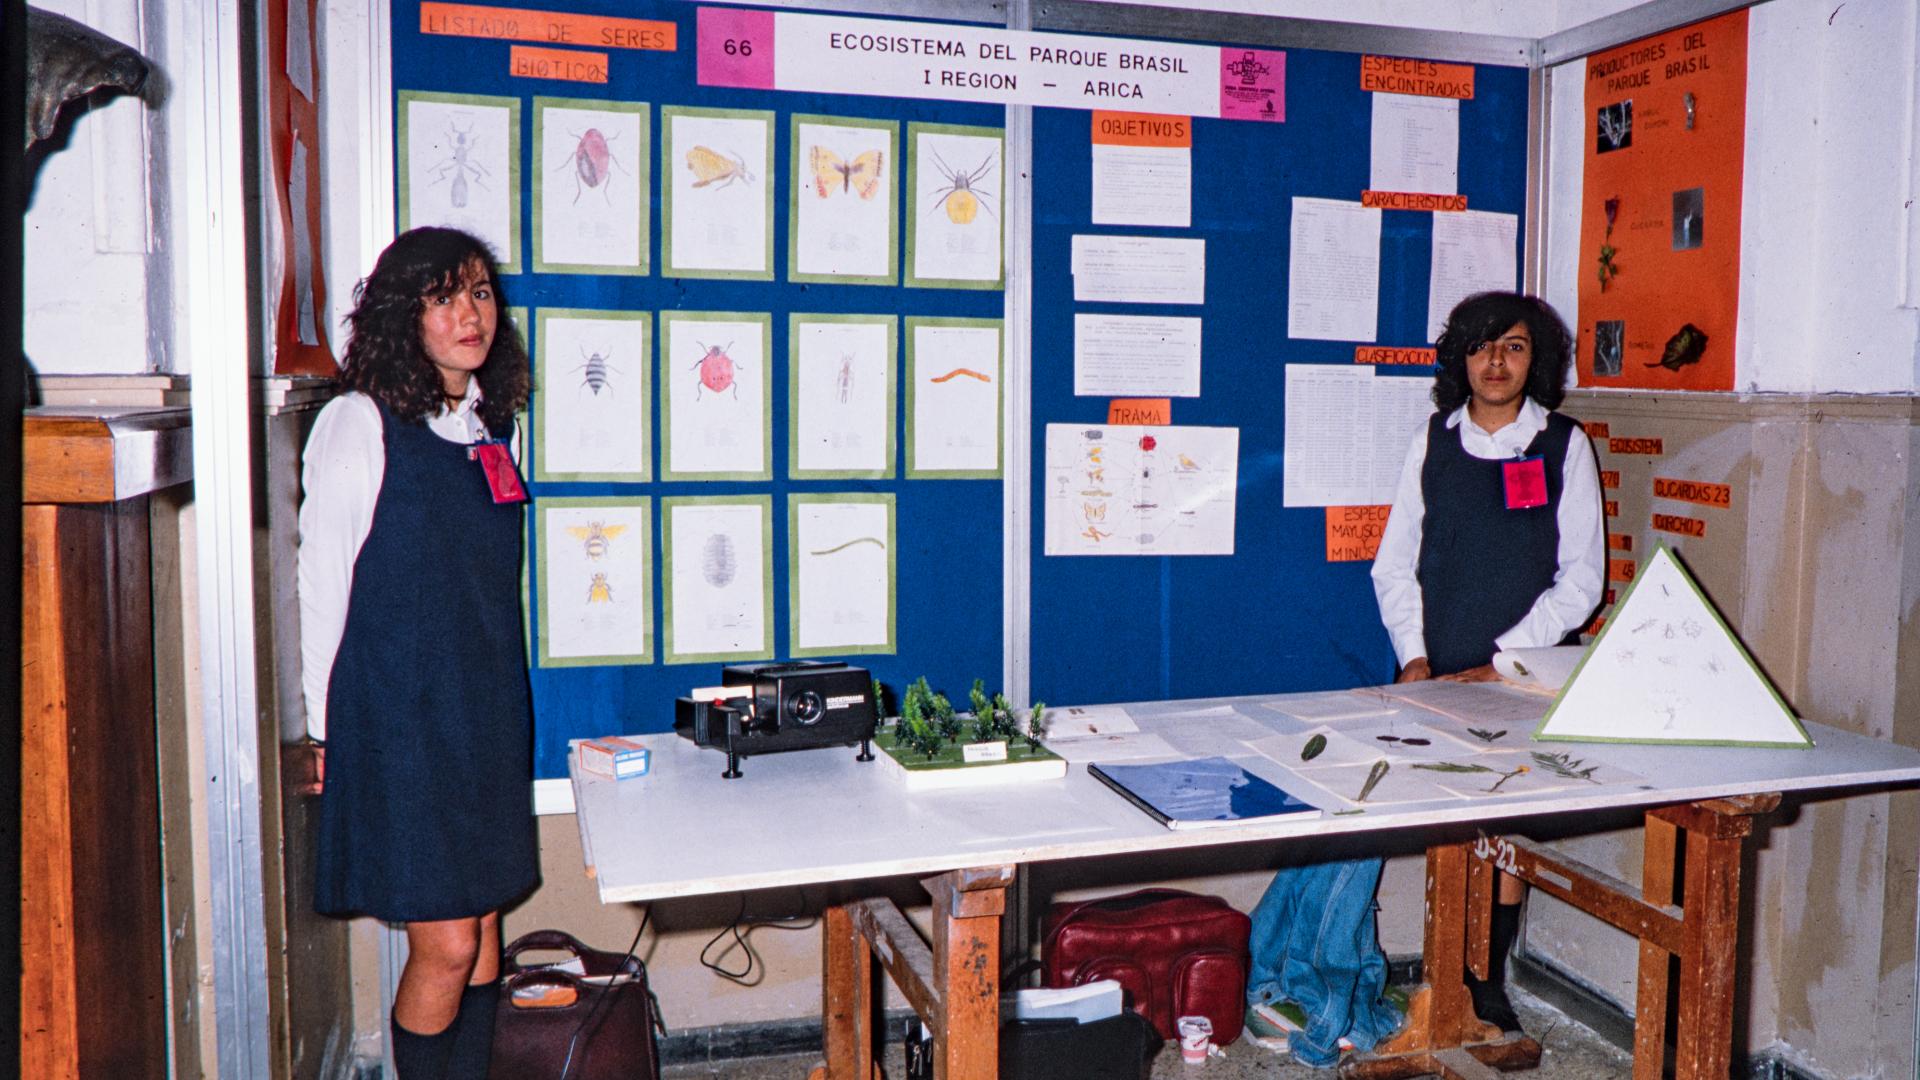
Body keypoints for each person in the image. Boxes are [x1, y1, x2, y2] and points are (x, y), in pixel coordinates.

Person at [297, 226, 537, 1080]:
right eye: (444, 297)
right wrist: (328, 733)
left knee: (483, 942)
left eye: (479, 293)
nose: (469, 314)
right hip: (399, 717)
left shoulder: (485, 424)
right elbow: (321, 580)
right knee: (446, 945)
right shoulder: (359, 423)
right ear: (407, 316)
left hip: (481, 713)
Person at [1369, 290, 1605, 1032]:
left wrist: (1504, 661)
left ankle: (1486, 979)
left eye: (1512, 346)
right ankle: (1449, 974)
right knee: (1451, 822)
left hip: (1522, 673)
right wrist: (1415, 657)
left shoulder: (1565, 443)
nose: (1494, 363)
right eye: (1479, 347)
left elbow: (1583, 580)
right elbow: (1393, 563)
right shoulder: (1433, 439)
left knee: (1505, 831)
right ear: (1459, 359)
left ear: (1536, 359)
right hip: (1436, 669)